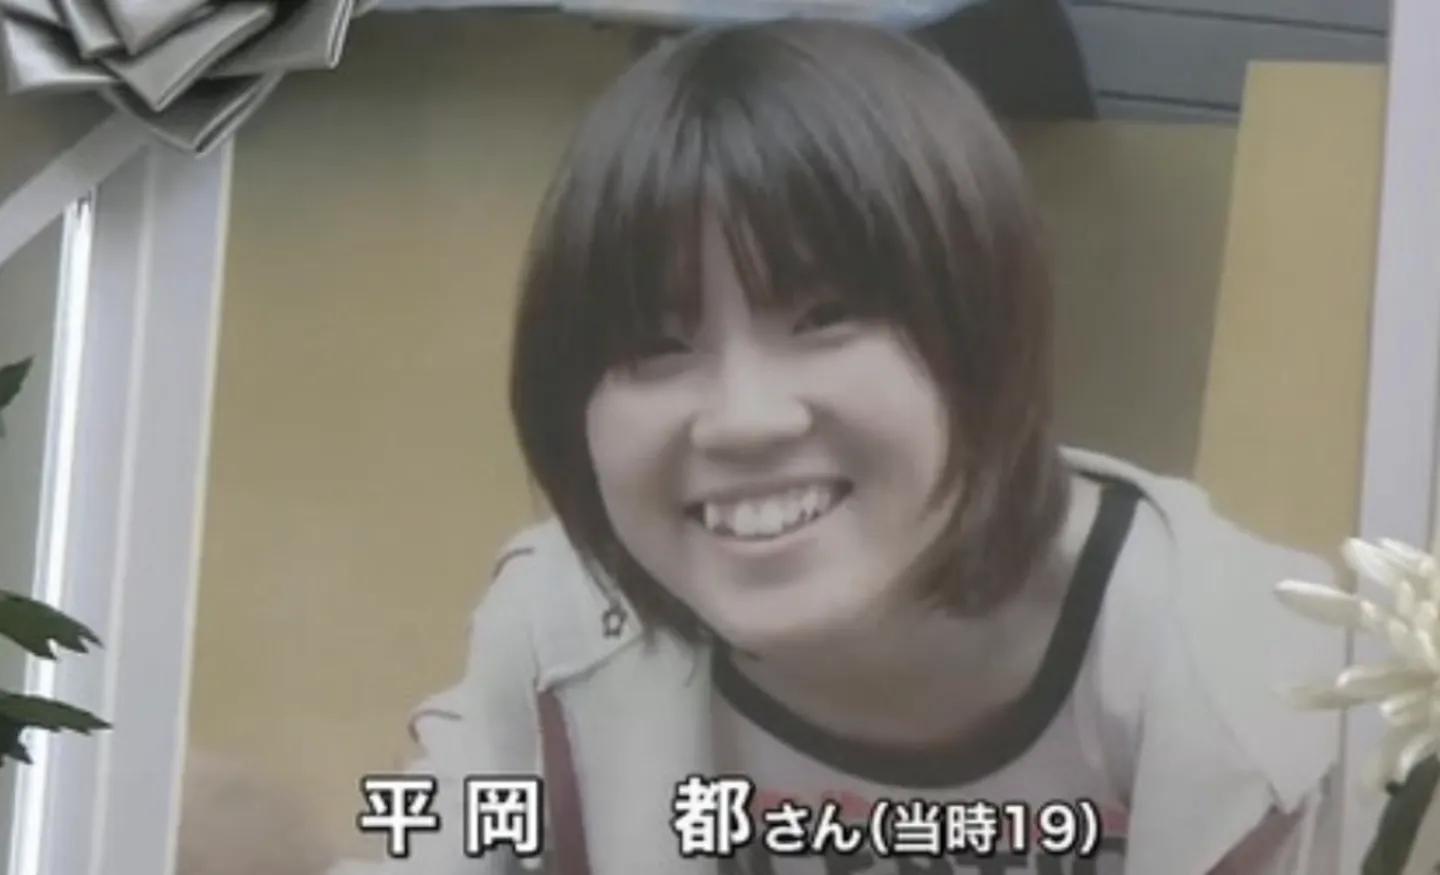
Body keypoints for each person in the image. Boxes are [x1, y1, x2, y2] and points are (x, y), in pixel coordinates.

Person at [340, 18, 1344, 875]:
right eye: (656, 345)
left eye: (824, 318)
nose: (744, 418)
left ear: (984, 333)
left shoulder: (1242, 686)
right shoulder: (558, 632)